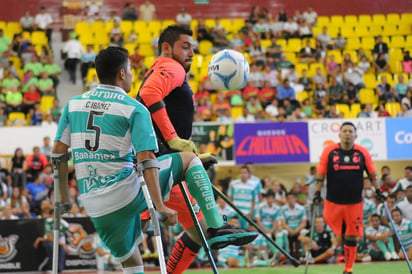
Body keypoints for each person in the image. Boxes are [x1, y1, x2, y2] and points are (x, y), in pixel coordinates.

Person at [52, 46, 257, 274]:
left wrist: (62, 198)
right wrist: (159, 207)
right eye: (129, 71)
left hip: (93, 203)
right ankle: (217, 227)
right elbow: (147, 159)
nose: (131, 76)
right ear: (122, 73)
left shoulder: (73, 104)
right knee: (189, 159)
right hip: (126, 194)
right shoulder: (134, 108)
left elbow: (59, 154)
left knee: (131, 260)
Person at [314, 121, 383, 274]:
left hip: (354, 203)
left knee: (351, 236)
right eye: (344, 131)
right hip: (333, 202)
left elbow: (372, 173)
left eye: (350, 131)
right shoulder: (329, 151)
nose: (347, 133)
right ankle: (339, 251)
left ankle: (348, 268)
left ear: (355, 135)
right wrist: (316, 192)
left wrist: (378, 190)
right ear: (339, 134)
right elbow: (320, 173)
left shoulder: (362, 152)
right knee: (339, 234)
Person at [281, 192, 307, 259]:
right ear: (287, 200)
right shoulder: (283, 209)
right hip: (288, 229)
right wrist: (290, 230)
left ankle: (304, 255)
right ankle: (286, 255)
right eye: (289, 198)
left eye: (292, 198)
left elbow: (304, 223)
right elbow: (283, 224)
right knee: (283, 233)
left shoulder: (301, 208)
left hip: (299, 228)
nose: (291, 200)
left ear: (295, 199)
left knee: (304, 232)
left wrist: (297, 230)